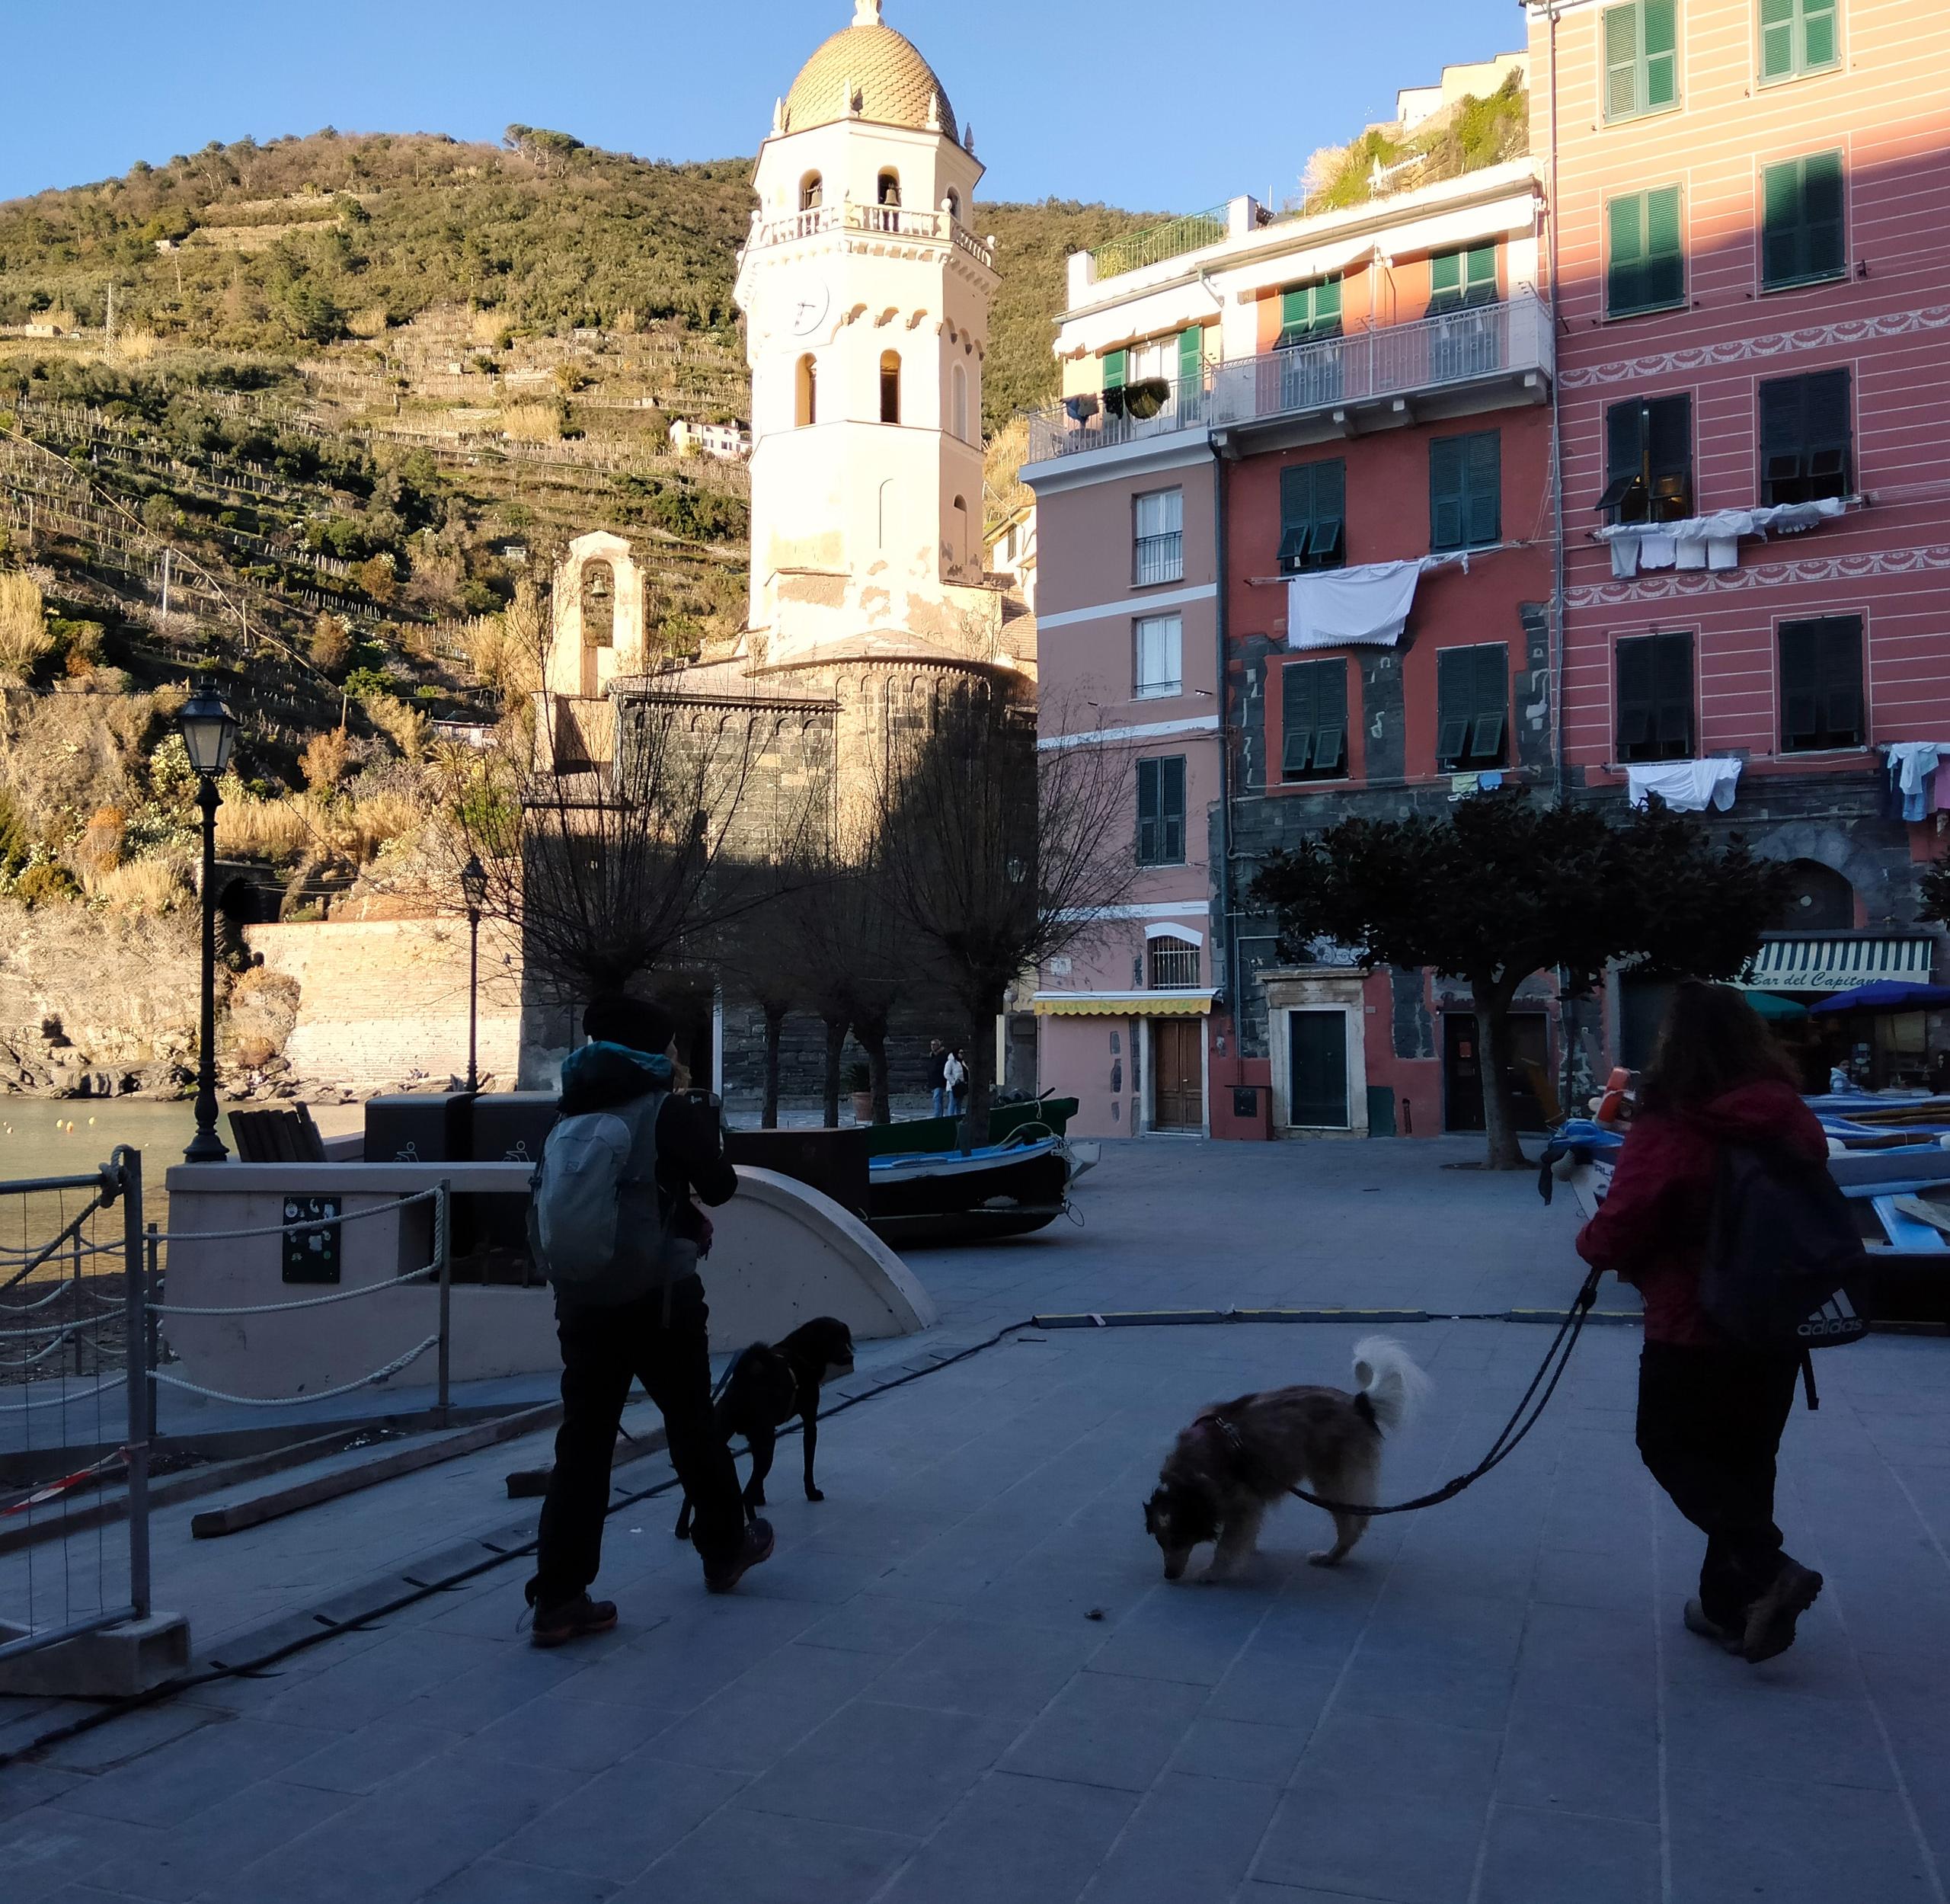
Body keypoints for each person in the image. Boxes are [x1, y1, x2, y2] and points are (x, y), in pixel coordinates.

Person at [1575, 981, 1824, 1665]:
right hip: (1775, 1319)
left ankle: (1768, 1570)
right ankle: (1729, 1607)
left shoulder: (1674, 1122)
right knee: (1747, 1459)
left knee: (1668, 1443)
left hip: (1693, 1320)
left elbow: (1621, 1223)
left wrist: (1591, 1245)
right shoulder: (1790, 1114)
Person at [525, 994, 770, 1646]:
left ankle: (558, 1596)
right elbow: (719, 1185)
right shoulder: (668, 1110)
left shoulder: (573, 1105)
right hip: (659, 1299)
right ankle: (724, 1546)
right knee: (691, 1421)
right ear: (655, 1050)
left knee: (583, 1442)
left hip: (581, 1301)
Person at [926, 1038, 951, 1118]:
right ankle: (940, 1115)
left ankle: (938, 1116)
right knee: (938, 1099)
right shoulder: (932, 1055)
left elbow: (943, 1067)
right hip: (933, 1080)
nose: (932, 1046)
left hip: (940, 1080)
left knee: (936, 1098)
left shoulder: (943, 1055)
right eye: (931, 1045)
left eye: (934, 1045)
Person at [944, 1046, 968, 1115]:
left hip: (961, 1085)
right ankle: (950, 1117)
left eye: (963, 1053)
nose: (962, 1054)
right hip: (953, 1087)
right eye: (960, 1053)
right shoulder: (950, 1062)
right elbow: (946, 1074)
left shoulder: (962, 1062)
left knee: (959, 1103)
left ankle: (958, 1116)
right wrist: (954, 1081)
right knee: (953, 1102)